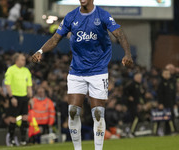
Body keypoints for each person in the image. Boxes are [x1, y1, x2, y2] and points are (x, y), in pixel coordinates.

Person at [32, 0, 133, 149]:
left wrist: (127, 54)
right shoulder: (71, 16)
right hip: (77, 72)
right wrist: (40, 51)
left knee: (98, 114)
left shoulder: (102, 15)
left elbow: (119, 34)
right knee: (72, 113)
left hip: (98, 72)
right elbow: (55, 39)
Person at [5, 53, 33, 146]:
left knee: (25, 118)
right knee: (13, 119)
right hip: (15, 97)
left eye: (24, 60)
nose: (24, 61)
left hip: (24, 97)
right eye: (22, 59)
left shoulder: (26, 71)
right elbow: (7, 84)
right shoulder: (11, 70)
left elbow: (29, 85)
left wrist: (30, 97)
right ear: (16, 60)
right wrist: (11, 97)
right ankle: (11, 140)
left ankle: (23, 140)